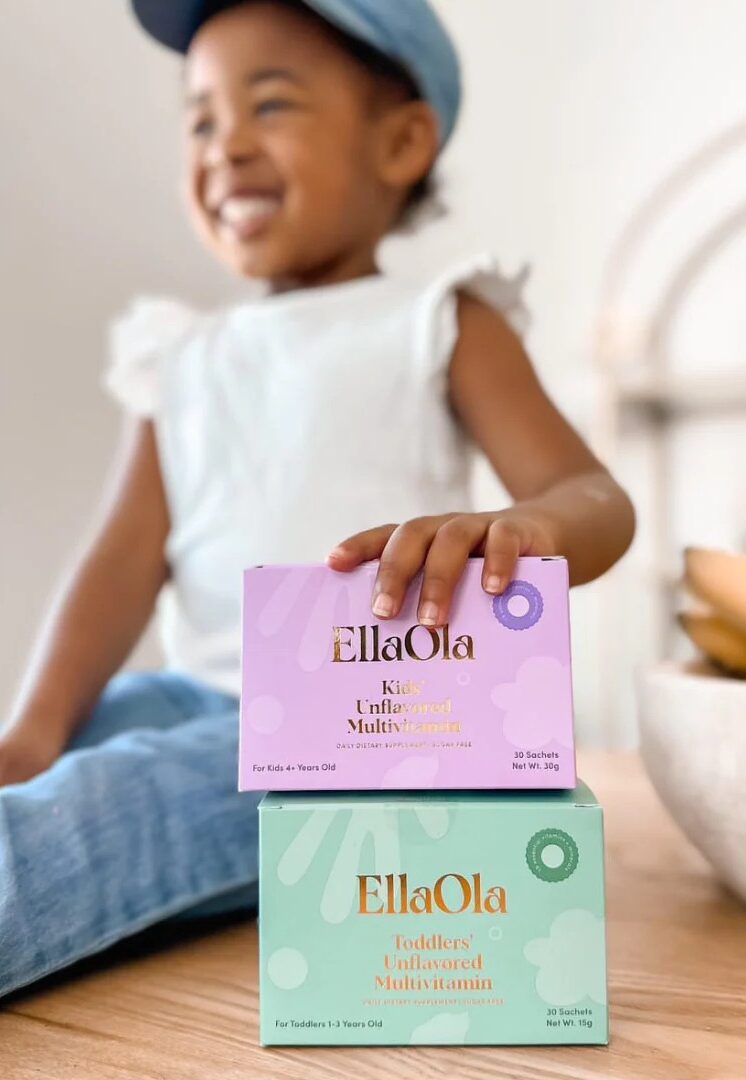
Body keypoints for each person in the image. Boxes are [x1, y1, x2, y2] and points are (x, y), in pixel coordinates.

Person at [0, 0, 635, 996]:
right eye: (202, 120)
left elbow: (594, 496)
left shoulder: (441, 323)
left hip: (360, 722)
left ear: (401, 142)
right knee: (82, 738)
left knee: (105, 806)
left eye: (270, 105)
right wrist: (33, 729)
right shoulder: (179, 354)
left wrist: (532, 527)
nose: (228, 147)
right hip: (194, 691)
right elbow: (120, 563)